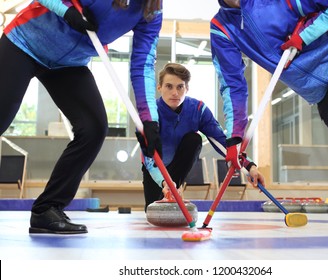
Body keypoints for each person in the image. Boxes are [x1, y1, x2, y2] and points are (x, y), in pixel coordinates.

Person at [210, 0, 328, 234]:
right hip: (319, 86)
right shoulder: (221, 28)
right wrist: (234, 139)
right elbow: (233, 86)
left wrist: (306, 35)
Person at [0, 0, 163, 234]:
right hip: (25, 41)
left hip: (68, 64)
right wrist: (65, 12)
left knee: (93, 128)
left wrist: (149, 120)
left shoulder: (151, 9)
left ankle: (47, 208)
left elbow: (142, 64)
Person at [136, 63, 265, 211]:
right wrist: (164, 182)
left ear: (187, 88)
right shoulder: (149, 115)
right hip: (155, 168)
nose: (175, 93)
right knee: (152, 212)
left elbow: (223, 144)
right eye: (169, 86)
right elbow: (148, 157)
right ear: (159, 88)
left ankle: (173, 190)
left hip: (179, 165)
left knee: (194, 139)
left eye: (180, 87)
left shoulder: (198, 109)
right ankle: (168, 190)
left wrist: (250, 167)